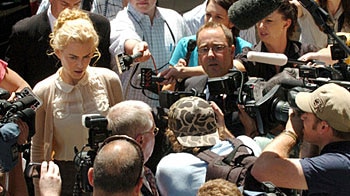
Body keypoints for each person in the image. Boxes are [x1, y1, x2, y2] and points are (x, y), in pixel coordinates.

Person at [30, 8, 123, 195]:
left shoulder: (109, 80)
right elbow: (38, 148)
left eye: (87, 56)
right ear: (58, 52)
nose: (80, 64)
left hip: (106, 171)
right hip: (64, 175)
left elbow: (122, 132)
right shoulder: (44, 90)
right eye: (72, 57)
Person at [251, 83, 350, 195]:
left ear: (323, 127)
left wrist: (291, 132)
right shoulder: (341, 155)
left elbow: (262, 169)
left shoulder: (337, 164)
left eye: (307, 114)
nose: (302, 117)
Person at [155, 96, 261, 196]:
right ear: (215, 123)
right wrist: (224, 130)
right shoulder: (246, 144)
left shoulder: (170, 166)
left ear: (171, 133)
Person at [5, 0, 112, 88]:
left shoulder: (100, 26)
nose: (70, 10)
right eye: (64, 4)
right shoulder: (25, 32)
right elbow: (13, 81)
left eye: (76, 5)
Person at [109, 0, 190, 107]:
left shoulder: (175, 20)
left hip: (169, 112)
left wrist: (181, 68)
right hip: (130, 112)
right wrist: (136, 48)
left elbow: (189, 52)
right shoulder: (119, 22)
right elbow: (125, 39)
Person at [234, 0, 318, 81]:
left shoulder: (306, 53)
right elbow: (237, 66)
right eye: (259, 21)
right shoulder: (251, 56)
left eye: (269, 21)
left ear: (286, 24)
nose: (261, 26)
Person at [106, 100, 160, 196]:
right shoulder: (125, 184)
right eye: (154, 131)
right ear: (140, 140)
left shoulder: (104, 174)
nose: (155, 135)